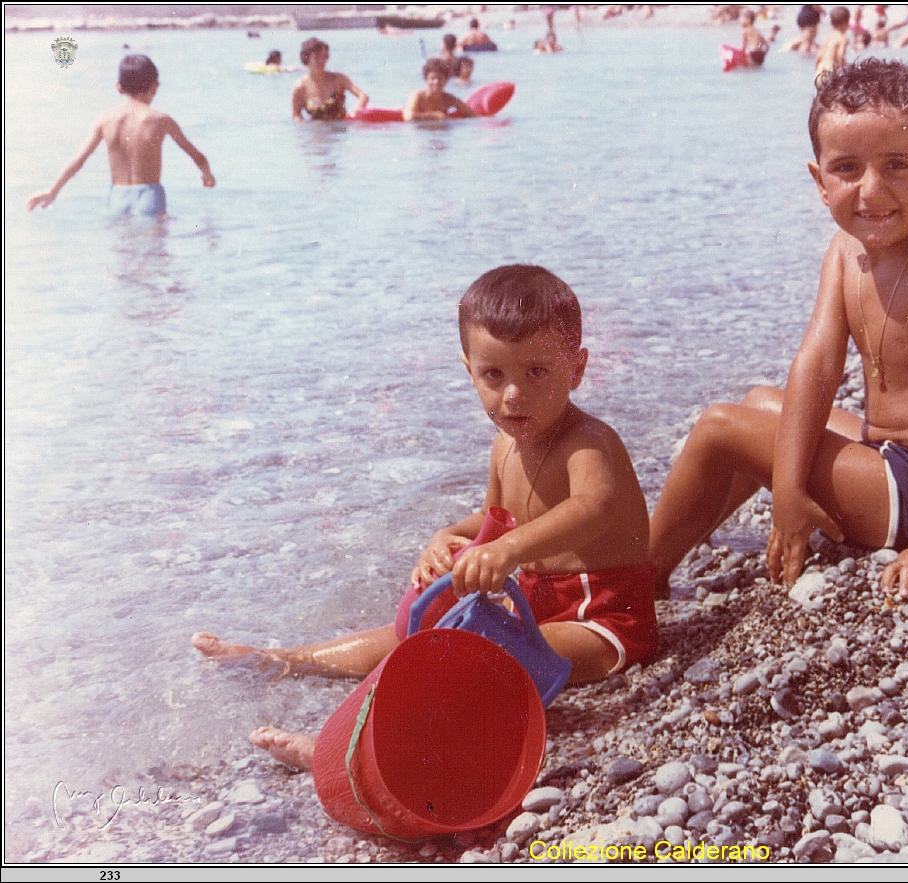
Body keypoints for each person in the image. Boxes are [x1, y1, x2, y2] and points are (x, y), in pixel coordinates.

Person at [194, 265, 658, 770]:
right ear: (469, 370)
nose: (513, 395)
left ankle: (350, 755)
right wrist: (447, 538)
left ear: (577, 368)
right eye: (494, 375)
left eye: (537, 373)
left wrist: (505, 552)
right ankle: (285, 659)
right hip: (537, 601)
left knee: (472, 661)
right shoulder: (506, 446)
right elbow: (495, 518)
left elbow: (595, 507)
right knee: (412, 636)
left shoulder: (588, 441)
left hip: (603, 618)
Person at [648, 59, 908, 600]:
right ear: (819, 181)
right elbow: (817, 366)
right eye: (847, 169)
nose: (872, 190)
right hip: (887, 453)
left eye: (898, 166)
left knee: (721, 427)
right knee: (763, 401)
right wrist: (788, 487)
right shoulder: (845, 251)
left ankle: (634, 578)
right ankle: (684, 539)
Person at [26, 55, 215, 216]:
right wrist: (207, 175)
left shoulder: (105, 120)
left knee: (123, 253)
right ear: (155, 86)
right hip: (150, 196)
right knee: (155, 253)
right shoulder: (161, 120)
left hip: (117, 198)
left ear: (119, 87)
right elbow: (197, 156)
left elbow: (79, 160)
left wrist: (53, 191)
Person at [292, 38, 368, 121]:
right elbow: (296, 115)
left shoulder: (338, 79)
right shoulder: (301, 87)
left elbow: (363, 96)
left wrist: (356, 109)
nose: (322, 61)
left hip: (340, 130)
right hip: (315, 131)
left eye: (324, 57)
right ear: (307, 58)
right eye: (317, 57)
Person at [403, 59, 476, 121]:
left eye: (440, 78)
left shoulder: (449, 98)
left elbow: (472, 115)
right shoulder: (418, 96)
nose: (436, 82)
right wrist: (435, 115)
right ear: (426, 79)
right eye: (432, 78)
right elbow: (408, 117)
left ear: (446, 80)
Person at [815, 7, 852, 79]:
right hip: (830, 71)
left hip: (819, 71)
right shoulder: (843, 38)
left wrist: (816, 70)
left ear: (832, 23)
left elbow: (818, 56)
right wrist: (844, 72)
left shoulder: (829, 38)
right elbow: (840, 56)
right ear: (847, 22)